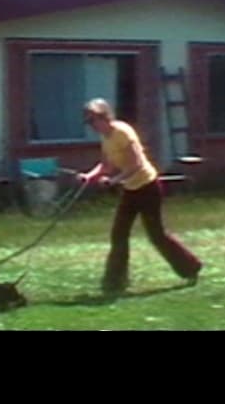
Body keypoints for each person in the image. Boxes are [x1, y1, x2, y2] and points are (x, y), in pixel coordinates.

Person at [78, 98, 203, 296]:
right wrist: (90, 176)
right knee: (119, 234)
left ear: (104, 117)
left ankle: (191, 268)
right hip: (131, 189)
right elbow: (106, 165)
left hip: (148, 187)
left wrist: (114, 181)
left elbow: (136, 164)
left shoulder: (123, 132)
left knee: (157, 235)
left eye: (93, 121)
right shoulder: (106, 137)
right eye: (88, 122)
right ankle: (115, 282)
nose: (92, 126)